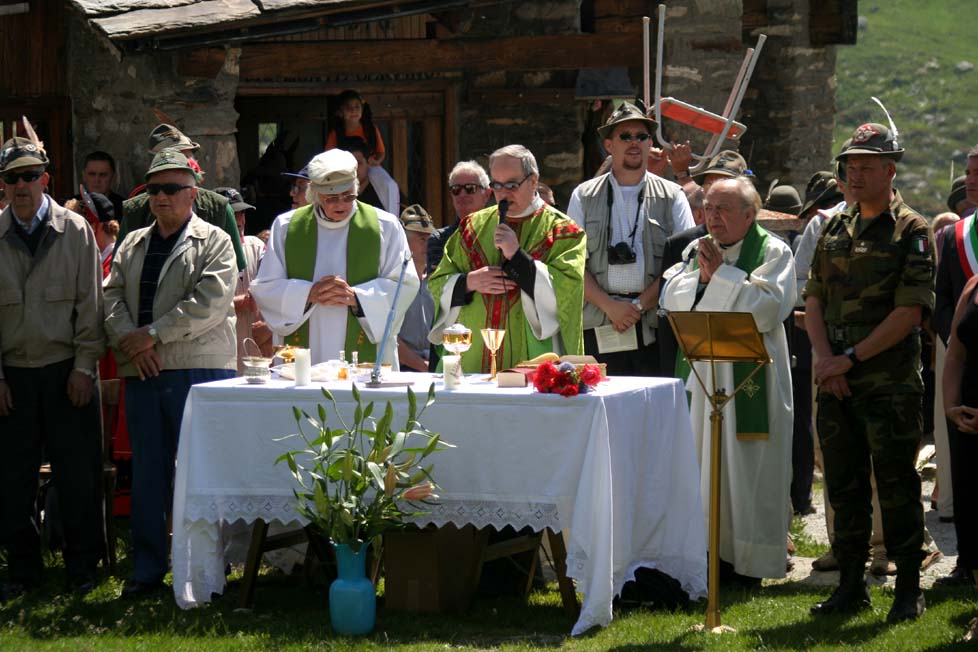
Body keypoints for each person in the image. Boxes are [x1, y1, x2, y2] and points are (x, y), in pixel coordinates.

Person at [805, 122, 934, 622]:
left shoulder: (912, 230)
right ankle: (851, 586)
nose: (854, 175)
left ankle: (908, 587)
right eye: (849, 166)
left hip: (888, 383)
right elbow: (814, 298)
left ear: (889, 170)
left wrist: (851, 358)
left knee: (897, 485)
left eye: (865, 166)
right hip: (836, 380)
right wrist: (826, 361)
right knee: (844, 484)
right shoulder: (835, 226)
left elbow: (910, 313)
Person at [104, 149, 238, 597]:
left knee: (202, 472)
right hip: (143, 369)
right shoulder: (131, 243)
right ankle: (147, 570)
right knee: (148, 473)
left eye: (172, 189)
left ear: (193, 194)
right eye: (154, 189)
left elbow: (210, 302)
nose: (161, 197)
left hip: (198, 370)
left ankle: (208, 568)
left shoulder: (216, 240)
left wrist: (151, 335)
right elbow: (111, 298)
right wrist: (134, 342)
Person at [661, 176, 796, 584]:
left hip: (752, 375)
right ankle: (706, 556)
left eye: (722, 209)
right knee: (702, 463)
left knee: (750, 467)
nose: (712, 217)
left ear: (750, 214)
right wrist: (705, 280)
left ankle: (749, 563)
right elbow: (671, 300)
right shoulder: (696, 250)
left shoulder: (773, 251)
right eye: (708, 208)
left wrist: (719, 278)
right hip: (703, 375)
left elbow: (768, 310)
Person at [0, 134, 105, 599]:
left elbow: (91, 306)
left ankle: (82, 568)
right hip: (13, 375)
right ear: (3, 185)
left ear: (45, 179)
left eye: (29, 176)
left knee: (78, 474)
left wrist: (84, 367)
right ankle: (23, 571)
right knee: (12, 478)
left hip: (67, 371)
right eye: (12, 179)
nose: (21, 186)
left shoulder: (75, 230)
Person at [251, 149, 418, 366]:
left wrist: (358, 298)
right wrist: (308, 293)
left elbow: (405, 284)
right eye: (331, 198)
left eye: (348, 196)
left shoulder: (384, 226)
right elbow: (266, 287)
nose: (341, 204)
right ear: (314, 194)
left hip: (364, 357)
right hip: (304, 360)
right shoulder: (287, 227)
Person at [428, 144, 586, 372]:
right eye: (497, 185)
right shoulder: (472, 227)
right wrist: (468, 282)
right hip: (473, 357)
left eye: (512, 185)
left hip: (533, 358)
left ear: (533, 181)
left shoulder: (563, 231)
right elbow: (437, 282)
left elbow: (567, 293)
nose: (503, 193)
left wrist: (516, 256)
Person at [566, 101, 694, 376]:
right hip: (599, 323)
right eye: (625, 136)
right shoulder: (583, 196)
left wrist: (637, 306)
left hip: (653, 325)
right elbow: (572, 265)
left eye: (642, 136)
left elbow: (684, 263)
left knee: (653, 401)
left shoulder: (673, 195)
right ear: (608, 145)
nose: (634, 142)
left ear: (650, 144)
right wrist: (610, 307)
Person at [933, 146, 978, 587]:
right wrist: (958, 340)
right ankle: (968, 560)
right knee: (966, 471)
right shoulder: (955, 236)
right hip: (965, 367)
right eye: (968, 172)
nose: (971, 180)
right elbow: (942, 298)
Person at [116, 124, 246, 271]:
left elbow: (236, 270)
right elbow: (119, 270)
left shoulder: (219, 208)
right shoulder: (135, 211)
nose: (188, 164)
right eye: (175, 159)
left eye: (188, 156)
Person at [942, 272, 978, 600]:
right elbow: (955, 353)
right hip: (968, 419)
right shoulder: (973, 285)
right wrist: (951, 407)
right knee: (971, 506)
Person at [214, 187, 269, 369]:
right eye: (232, 213)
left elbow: (273, 287)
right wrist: (243, 301)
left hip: (257, 351)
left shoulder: (257, 246)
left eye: (242, 213)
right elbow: (204, 305)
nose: (239, 219)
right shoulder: (206, 253)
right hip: (223, 353)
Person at [427, 160, 492, 276]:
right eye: (456, 189)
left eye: (470, 188)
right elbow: (437, 282)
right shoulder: (439, 239)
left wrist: (456, 277)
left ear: (486, 194)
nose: (462, 194)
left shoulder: (499, 233)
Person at [396, 205, 436, 372]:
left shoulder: (435, 282)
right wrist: (424, 367)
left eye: (430, 238)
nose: (428, 244)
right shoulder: (393, 283)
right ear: (404, 242)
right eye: (422, 239)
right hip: (403, 371)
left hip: (433, 366)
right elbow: (387, 337)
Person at [340, 136, 400, 215]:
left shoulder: (386, 191)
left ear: (369, 163)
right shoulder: (335, 196)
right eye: (348, 164)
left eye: (358, 163)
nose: (353, 169)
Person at [74, 151, 127, 218]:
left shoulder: (125, 209)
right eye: (92, 174)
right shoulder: (72, 206)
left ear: (113, 177)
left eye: (103, 175)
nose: (97, 180)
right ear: (84, 176)